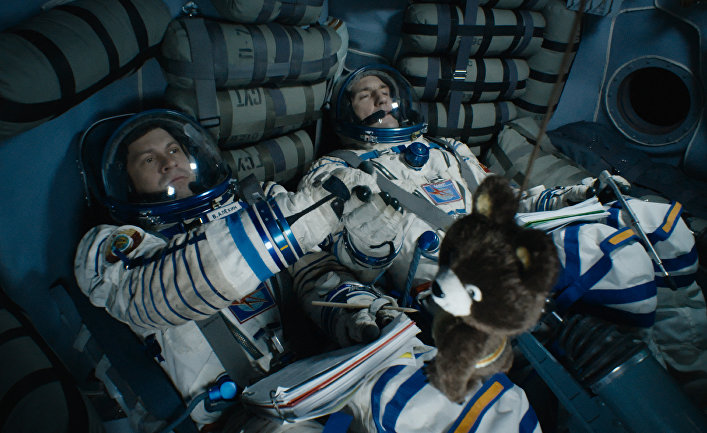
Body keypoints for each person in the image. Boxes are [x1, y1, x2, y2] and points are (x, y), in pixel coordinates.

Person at [289, 64, 706, 429]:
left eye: (385, 91)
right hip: (445, 292)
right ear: (347, 114)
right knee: (607, 252)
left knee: (652, 222)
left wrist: (574, 196)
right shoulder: (338, 171)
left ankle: (689, 380)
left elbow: (509, 201)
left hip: (510, 252)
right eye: (366, 95)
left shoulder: (446, 150)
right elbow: (327, 259)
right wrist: (366, 285)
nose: (381, 98)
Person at [74, 109, 391, 430]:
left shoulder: (258, 201)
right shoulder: (112, 248)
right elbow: (157, 293)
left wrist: (353, 312)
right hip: (246, 416)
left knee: (400, 397)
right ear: (127, 181)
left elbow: (314, 273)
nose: (168, 163)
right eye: (148, 159)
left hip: (318, 375)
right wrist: (290, 226)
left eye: (173, 150)